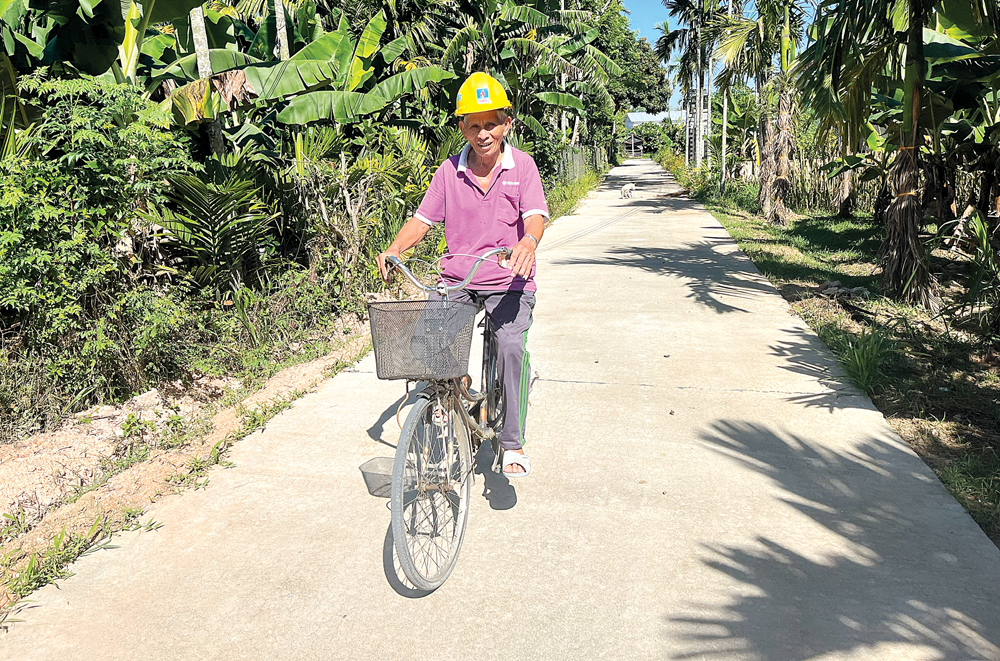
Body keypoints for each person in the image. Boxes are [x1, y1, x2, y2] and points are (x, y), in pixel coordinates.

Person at [377, 72, 548, 478]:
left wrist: (527, 243)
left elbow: (536, 216)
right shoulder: (448, 172)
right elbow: (422, 220)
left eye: (491, 123)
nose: (483, 133)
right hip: (459, 279)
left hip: (509, 280)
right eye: (474, 124)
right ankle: (460, 391)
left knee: (509, 348)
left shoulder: (521, 166)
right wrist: (395, 248)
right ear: (462, 128)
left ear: (507, 123)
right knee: (429, 341)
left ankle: (512, 442)